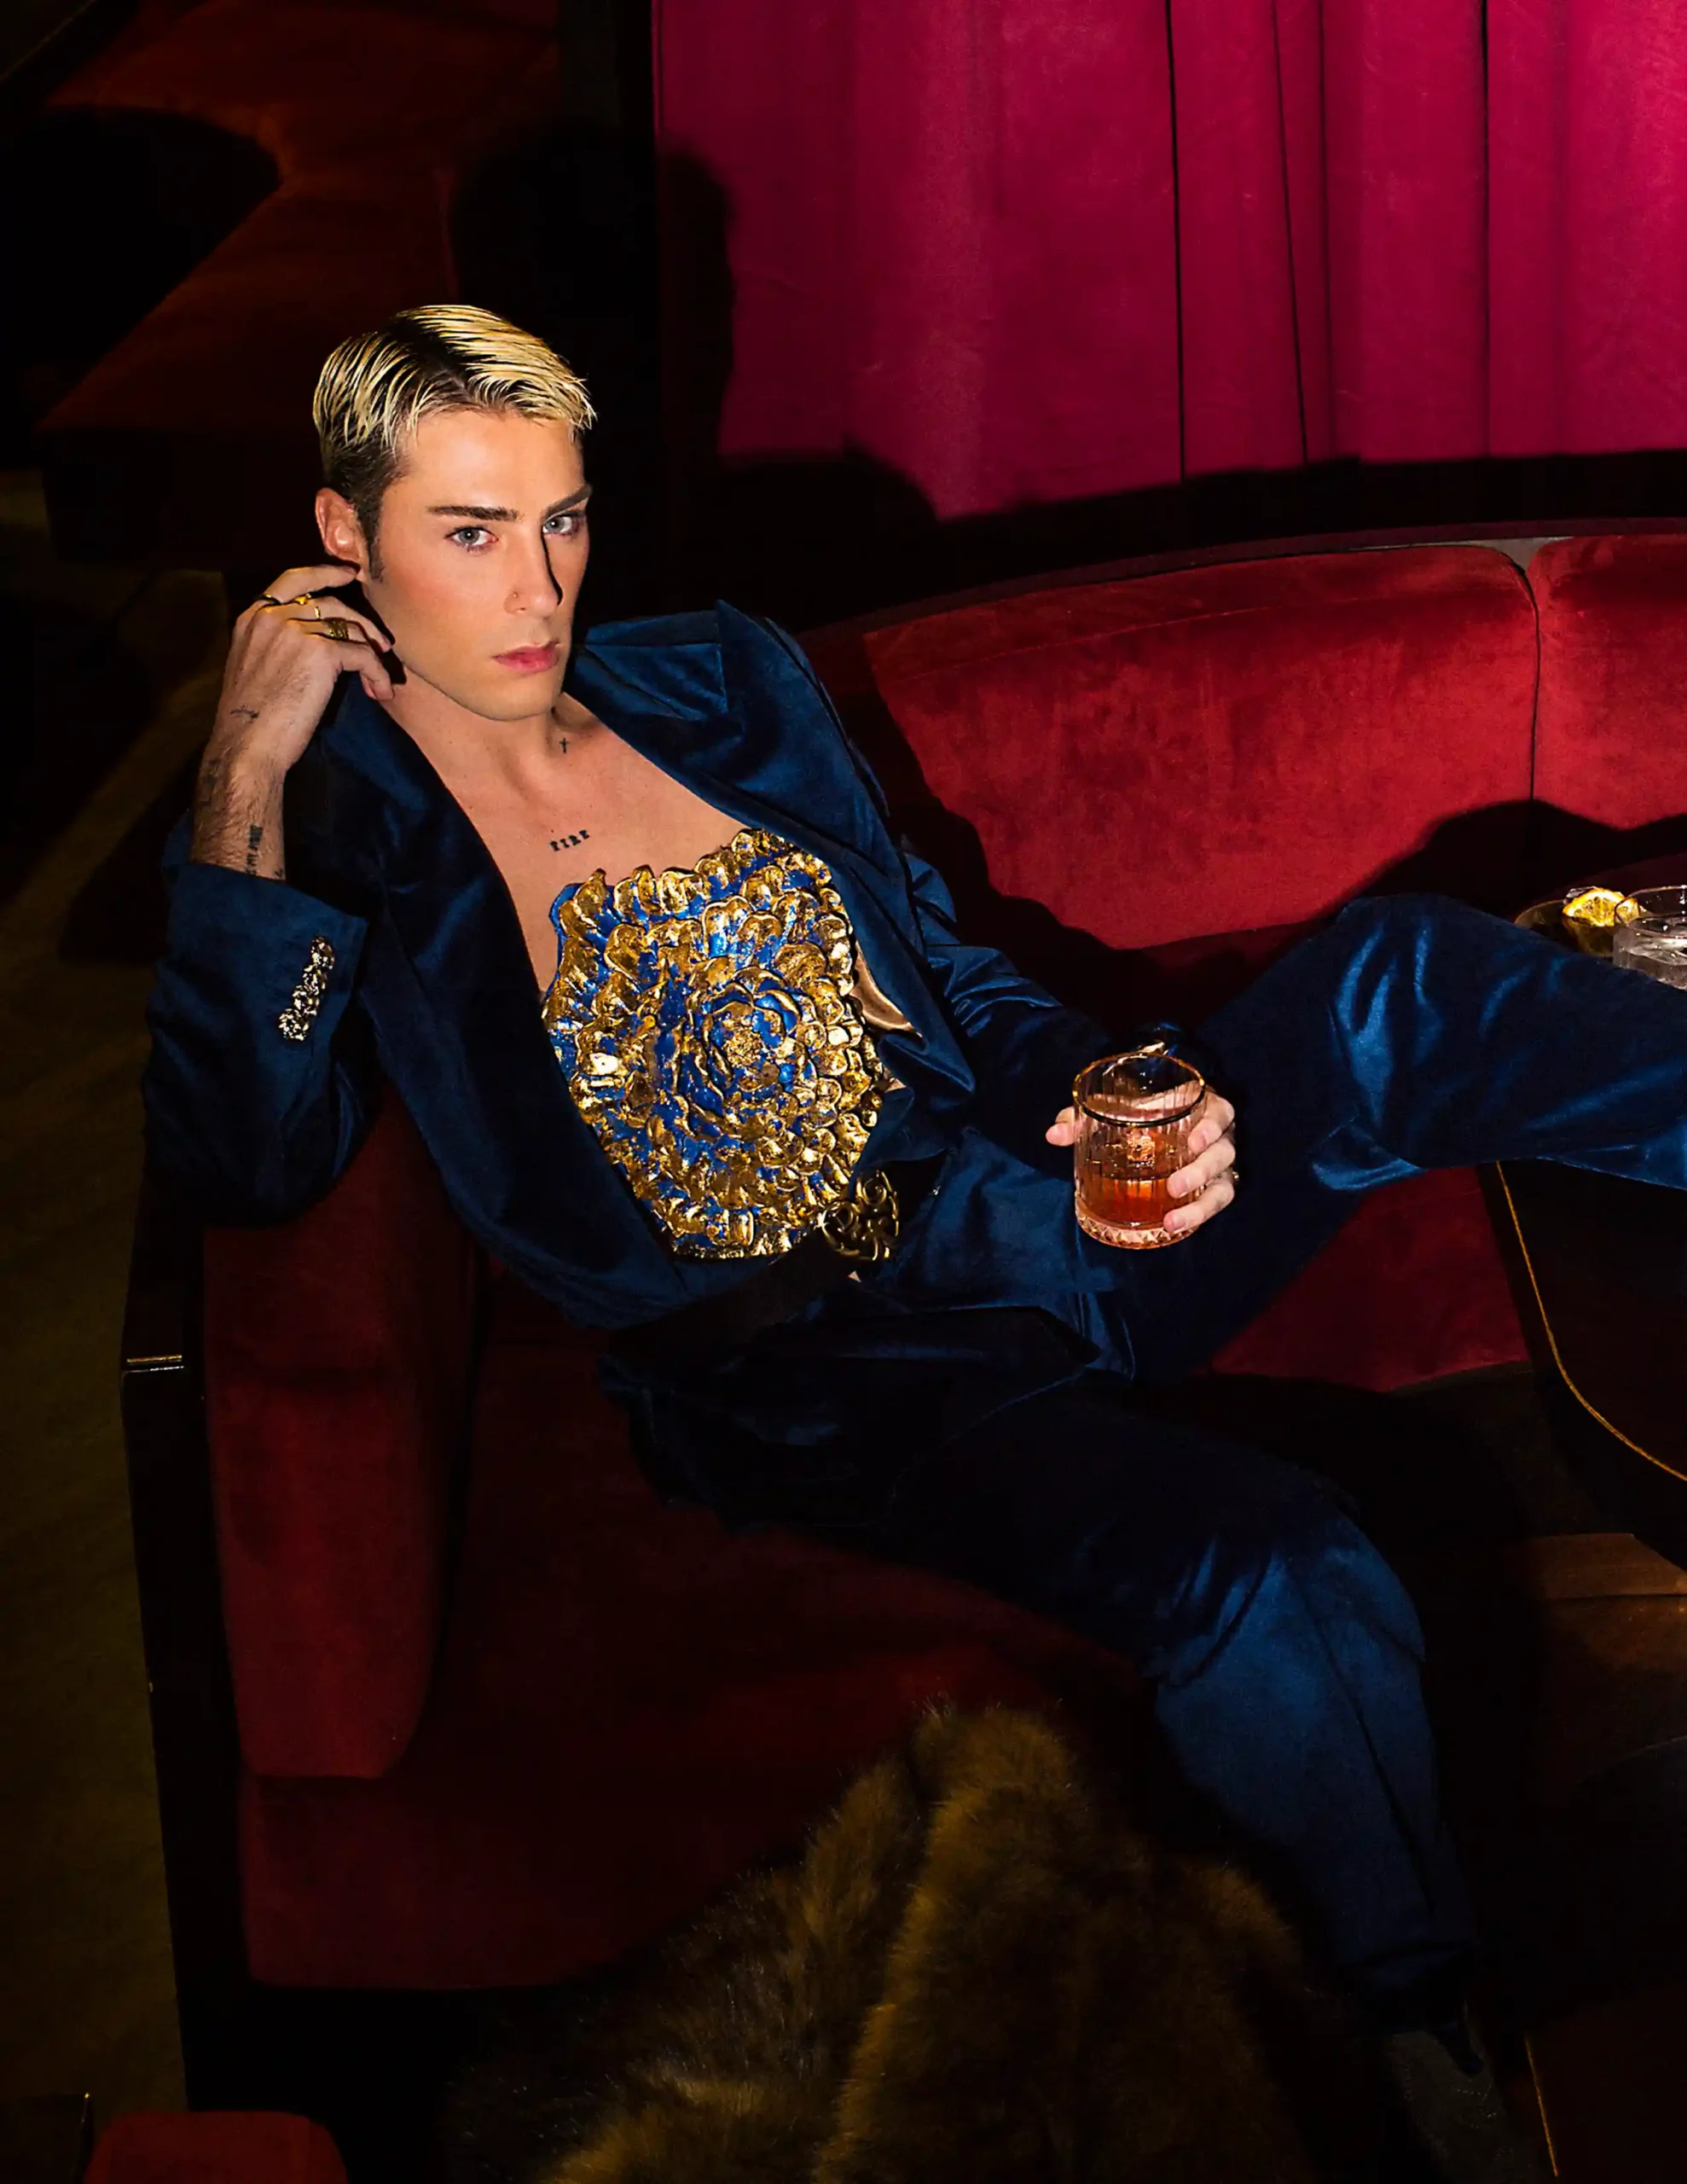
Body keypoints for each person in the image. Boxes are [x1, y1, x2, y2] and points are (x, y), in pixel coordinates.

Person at [150, 305, 1687, 2181]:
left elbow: (946, 965)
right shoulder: (333, 822)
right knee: (1277, 1570)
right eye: (468, 533)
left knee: (1402, 975)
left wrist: (1086, 1084)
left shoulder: (714, 678)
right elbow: (246, 1157)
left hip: (1018, 1210)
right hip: (823, 1381)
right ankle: (1414, 2053)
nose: (536, 585)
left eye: (560, 518)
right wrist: (241, 767)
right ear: (344, 537)